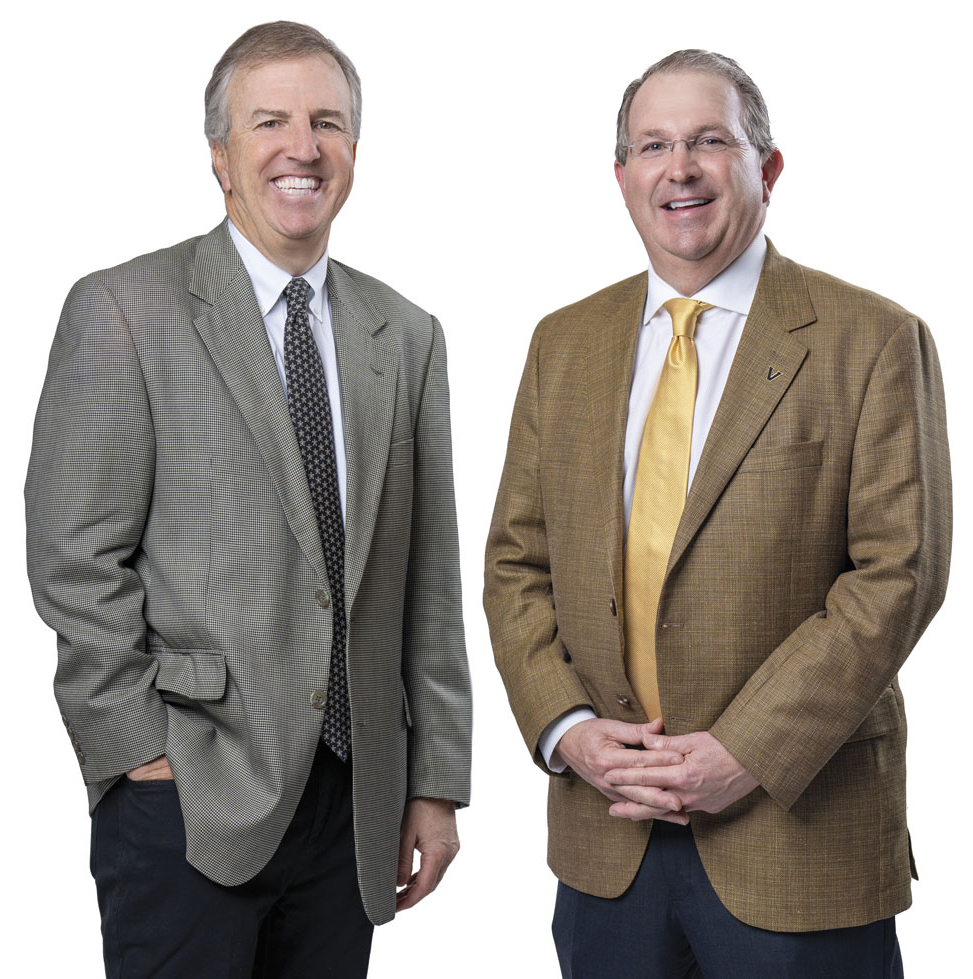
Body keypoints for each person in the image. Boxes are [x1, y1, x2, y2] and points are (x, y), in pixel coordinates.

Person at [484, 49, 950, 978]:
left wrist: (744, 750)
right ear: (621, 178)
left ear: (766, 168)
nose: (678, 168)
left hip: (794, 840)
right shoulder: (562, 343)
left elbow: (897, 575)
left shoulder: (872, 339)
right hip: (605, 843)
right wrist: (565, 728)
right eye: (651, 146)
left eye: (708, 140)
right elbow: (516, 564)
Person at [26, 20, 471, 978]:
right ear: (220, 157)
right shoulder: (122, 310)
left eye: (329, 122)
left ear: (354, 149)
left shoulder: (408, 334)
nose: (302, 147)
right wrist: (137, 752)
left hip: (352, 804)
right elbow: (72, 557)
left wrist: (432, 783)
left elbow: (426, 582)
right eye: (269, 121)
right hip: (186, 795)